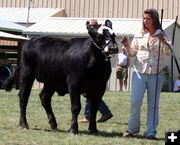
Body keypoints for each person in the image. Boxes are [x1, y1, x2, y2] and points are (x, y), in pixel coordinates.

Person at [121, 8, 171, 139]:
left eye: (148, 18)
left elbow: (169, 52)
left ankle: (150, 132)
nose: (145, 21)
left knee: (153, 104)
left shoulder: (162, 34)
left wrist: (163, 40)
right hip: (139, 73)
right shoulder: (139, 34)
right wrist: (127, 46)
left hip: (156, 74)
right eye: (144, 18)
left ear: (154, 19)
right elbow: (133, 53)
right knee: (135, 101)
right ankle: (132, 129)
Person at [79, 19, 113, 123]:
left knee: (90, 93)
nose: (92, 28)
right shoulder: (92, 38)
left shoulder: (100, 37)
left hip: (96, 71)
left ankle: (94, 114)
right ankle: (98, 113)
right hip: (91, 69)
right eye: (91, 26)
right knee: (88, 94)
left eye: (94, 26)